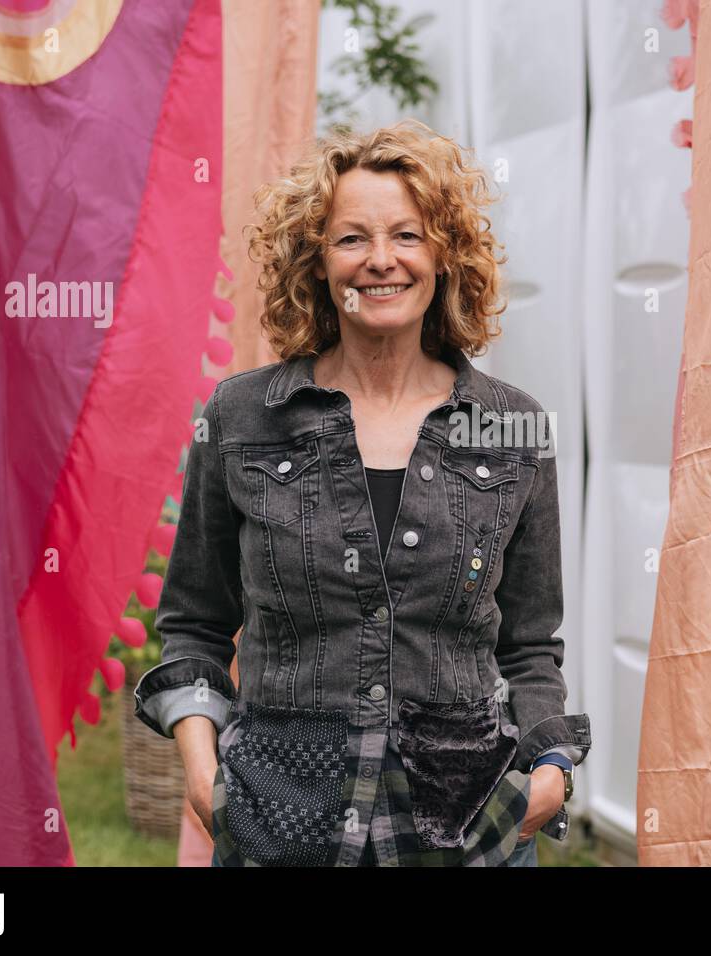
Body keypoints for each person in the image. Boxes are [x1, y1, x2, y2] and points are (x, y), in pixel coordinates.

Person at [133, 119, 590, 866]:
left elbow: (531, 646)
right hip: (279, 824)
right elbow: (194, 623)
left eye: (407, 235)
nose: (381, 261)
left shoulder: (513, 427)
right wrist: (202, 771)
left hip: (463, 830)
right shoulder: (242, 417)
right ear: (316, 262)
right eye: (351, 239)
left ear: (444, 255)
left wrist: (549, 771)